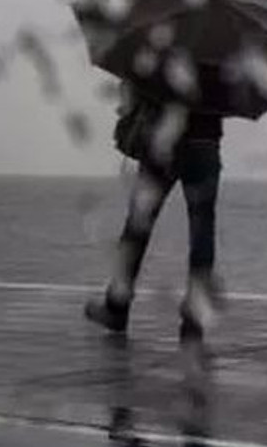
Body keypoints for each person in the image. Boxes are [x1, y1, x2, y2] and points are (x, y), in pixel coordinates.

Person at [85, 81, 224, 341]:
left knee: (138, 225)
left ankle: (117, 305)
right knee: (202, 229)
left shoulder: (167, 43)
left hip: (164, 141)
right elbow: (230, 98)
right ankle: (194, 317)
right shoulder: (226, 49)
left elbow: (143, 83)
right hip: (205, 144)